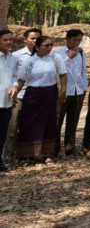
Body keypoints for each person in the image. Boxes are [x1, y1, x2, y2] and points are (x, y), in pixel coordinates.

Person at [15, 35, 67, 163]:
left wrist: (63, 90)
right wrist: (15, 92)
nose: (49, 48)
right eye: (46, 45)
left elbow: (63, 75)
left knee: (49, 123)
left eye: (51, 45)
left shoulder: (56, 58)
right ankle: (26, 155)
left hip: (49, 94)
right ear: (37, 47)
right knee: (28, 123)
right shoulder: (29, 61)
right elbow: (21, 80)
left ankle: (46, 154)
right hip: (32, 95)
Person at [4, 27, 40, 165]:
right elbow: (12, 75)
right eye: (32, 38)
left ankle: (26, 155)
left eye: (38, 38)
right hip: (19, 95)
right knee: (12, 127)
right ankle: (8, 156)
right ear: (25, 40)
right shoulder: (16, 55)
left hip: (35, 96)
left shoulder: (43, 55)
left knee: (30, 127)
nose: (35, 41)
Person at [53, 29, 87, 157]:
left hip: (78, 91)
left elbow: (83, 70)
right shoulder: (57, 53)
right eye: (74, 40)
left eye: (79, 40)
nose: (77, 43)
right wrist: (68, 57)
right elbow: (56, 70)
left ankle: (70, 147)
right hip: (63, 92)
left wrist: (84, 86)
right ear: (66, 39)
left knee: (73, 120)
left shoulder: (81, 52)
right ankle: (54, 149)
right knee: (58, 120)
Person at [0, 29, 16, 172]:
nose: (8, 42)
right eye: (5, 40)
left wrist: (15, 86)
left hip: (7, 101)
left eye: (10, 39)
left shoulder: (13, 58)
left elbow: (15, 76)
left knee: (2, 132)